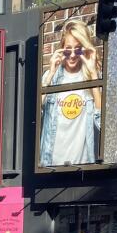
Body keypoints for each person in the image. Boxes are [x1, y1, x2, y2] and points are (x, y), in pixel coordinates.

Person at [39, 18, 102, 167]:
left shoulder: (91, 77)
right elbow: (35, 116)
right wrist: (51, 73)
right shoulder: (51, 77)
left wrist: (93, 74)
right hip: (50, 163)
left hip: (83, 164)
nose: (73, 55)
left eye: (78, 49)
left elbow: (101, 121)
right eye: (68, 49)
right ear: (61, 48)